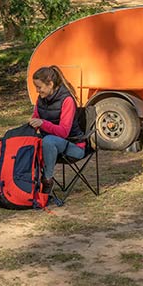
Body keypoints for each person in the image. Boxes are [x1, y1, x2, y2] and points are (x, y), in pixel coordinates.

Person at [29, 65, 85, 193]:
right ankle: (27, 181)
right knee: (28, 141)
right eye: (36, 87)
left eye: (39, 87)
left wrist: (42, 123)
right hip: (51, 146)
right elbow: (35, 118)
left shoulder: (67, 100)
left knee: (48, 141)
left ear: (50, 84)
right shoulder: (41, 99)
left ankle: (47, 179)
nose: (37, 90)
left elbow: (64, 132)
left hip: (74, 146)